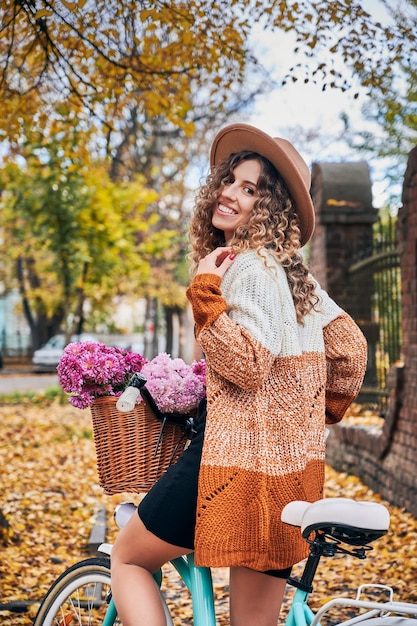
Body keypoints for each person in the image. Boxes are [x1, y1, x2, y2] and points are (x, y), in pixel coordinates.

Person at [111, 123, 368, 626]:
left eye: (250, 189)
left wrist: (206, 291)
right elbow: (351, 351)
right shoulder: (298, 280)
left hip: (229, 467)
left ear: (267, 208)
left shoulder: (244, 268)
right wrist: (309, 411)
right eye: (230, 180)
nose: (230, 193)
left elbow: (248, 367)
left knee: (127, 558)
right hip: (291, 475)